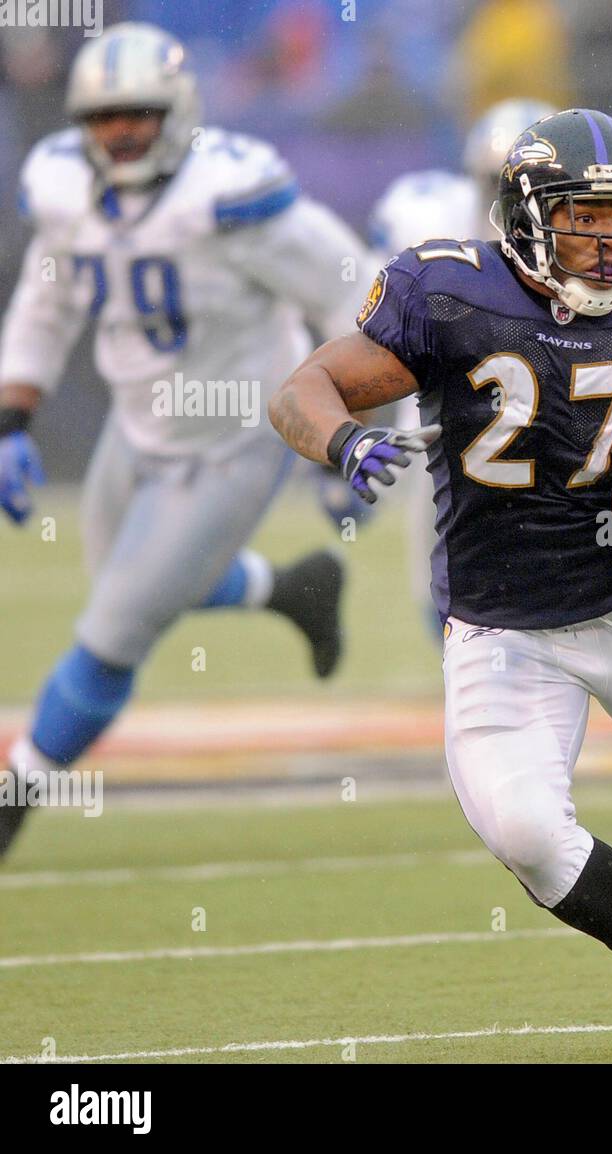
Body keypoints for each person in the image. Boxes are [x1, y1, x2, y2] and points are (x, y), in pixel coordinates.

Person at [269, 108, 612, 1058]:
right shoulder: (446, 293)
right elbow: (301, 388)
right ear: (528, 212)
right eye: (585, 216)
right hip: (502, 626)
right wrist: (346, 439)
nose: (610, 239)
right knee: (525, 831)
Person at [0, 23, 369, 858]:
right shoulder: (63, 187)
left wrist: (347, 434)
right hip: (135, 429)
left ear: (177, 111)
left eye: (136, 113)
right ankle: (293, 590)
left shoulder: (230, 197)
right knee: (132, 587)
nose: (120, 132)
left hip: (237, 437)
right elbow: (45, 302)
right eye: (103, 118)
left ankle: (15, 792)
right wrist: (13, 420)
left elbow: (354, 296)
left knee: (112, 630)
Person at [368, 98, 555, 636]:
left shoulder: (594, 249)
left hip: (567, 426)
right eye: (503, 185)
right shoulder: (428, 224)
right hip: (449, 420)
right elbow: (373, 338)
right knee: (441, 574)